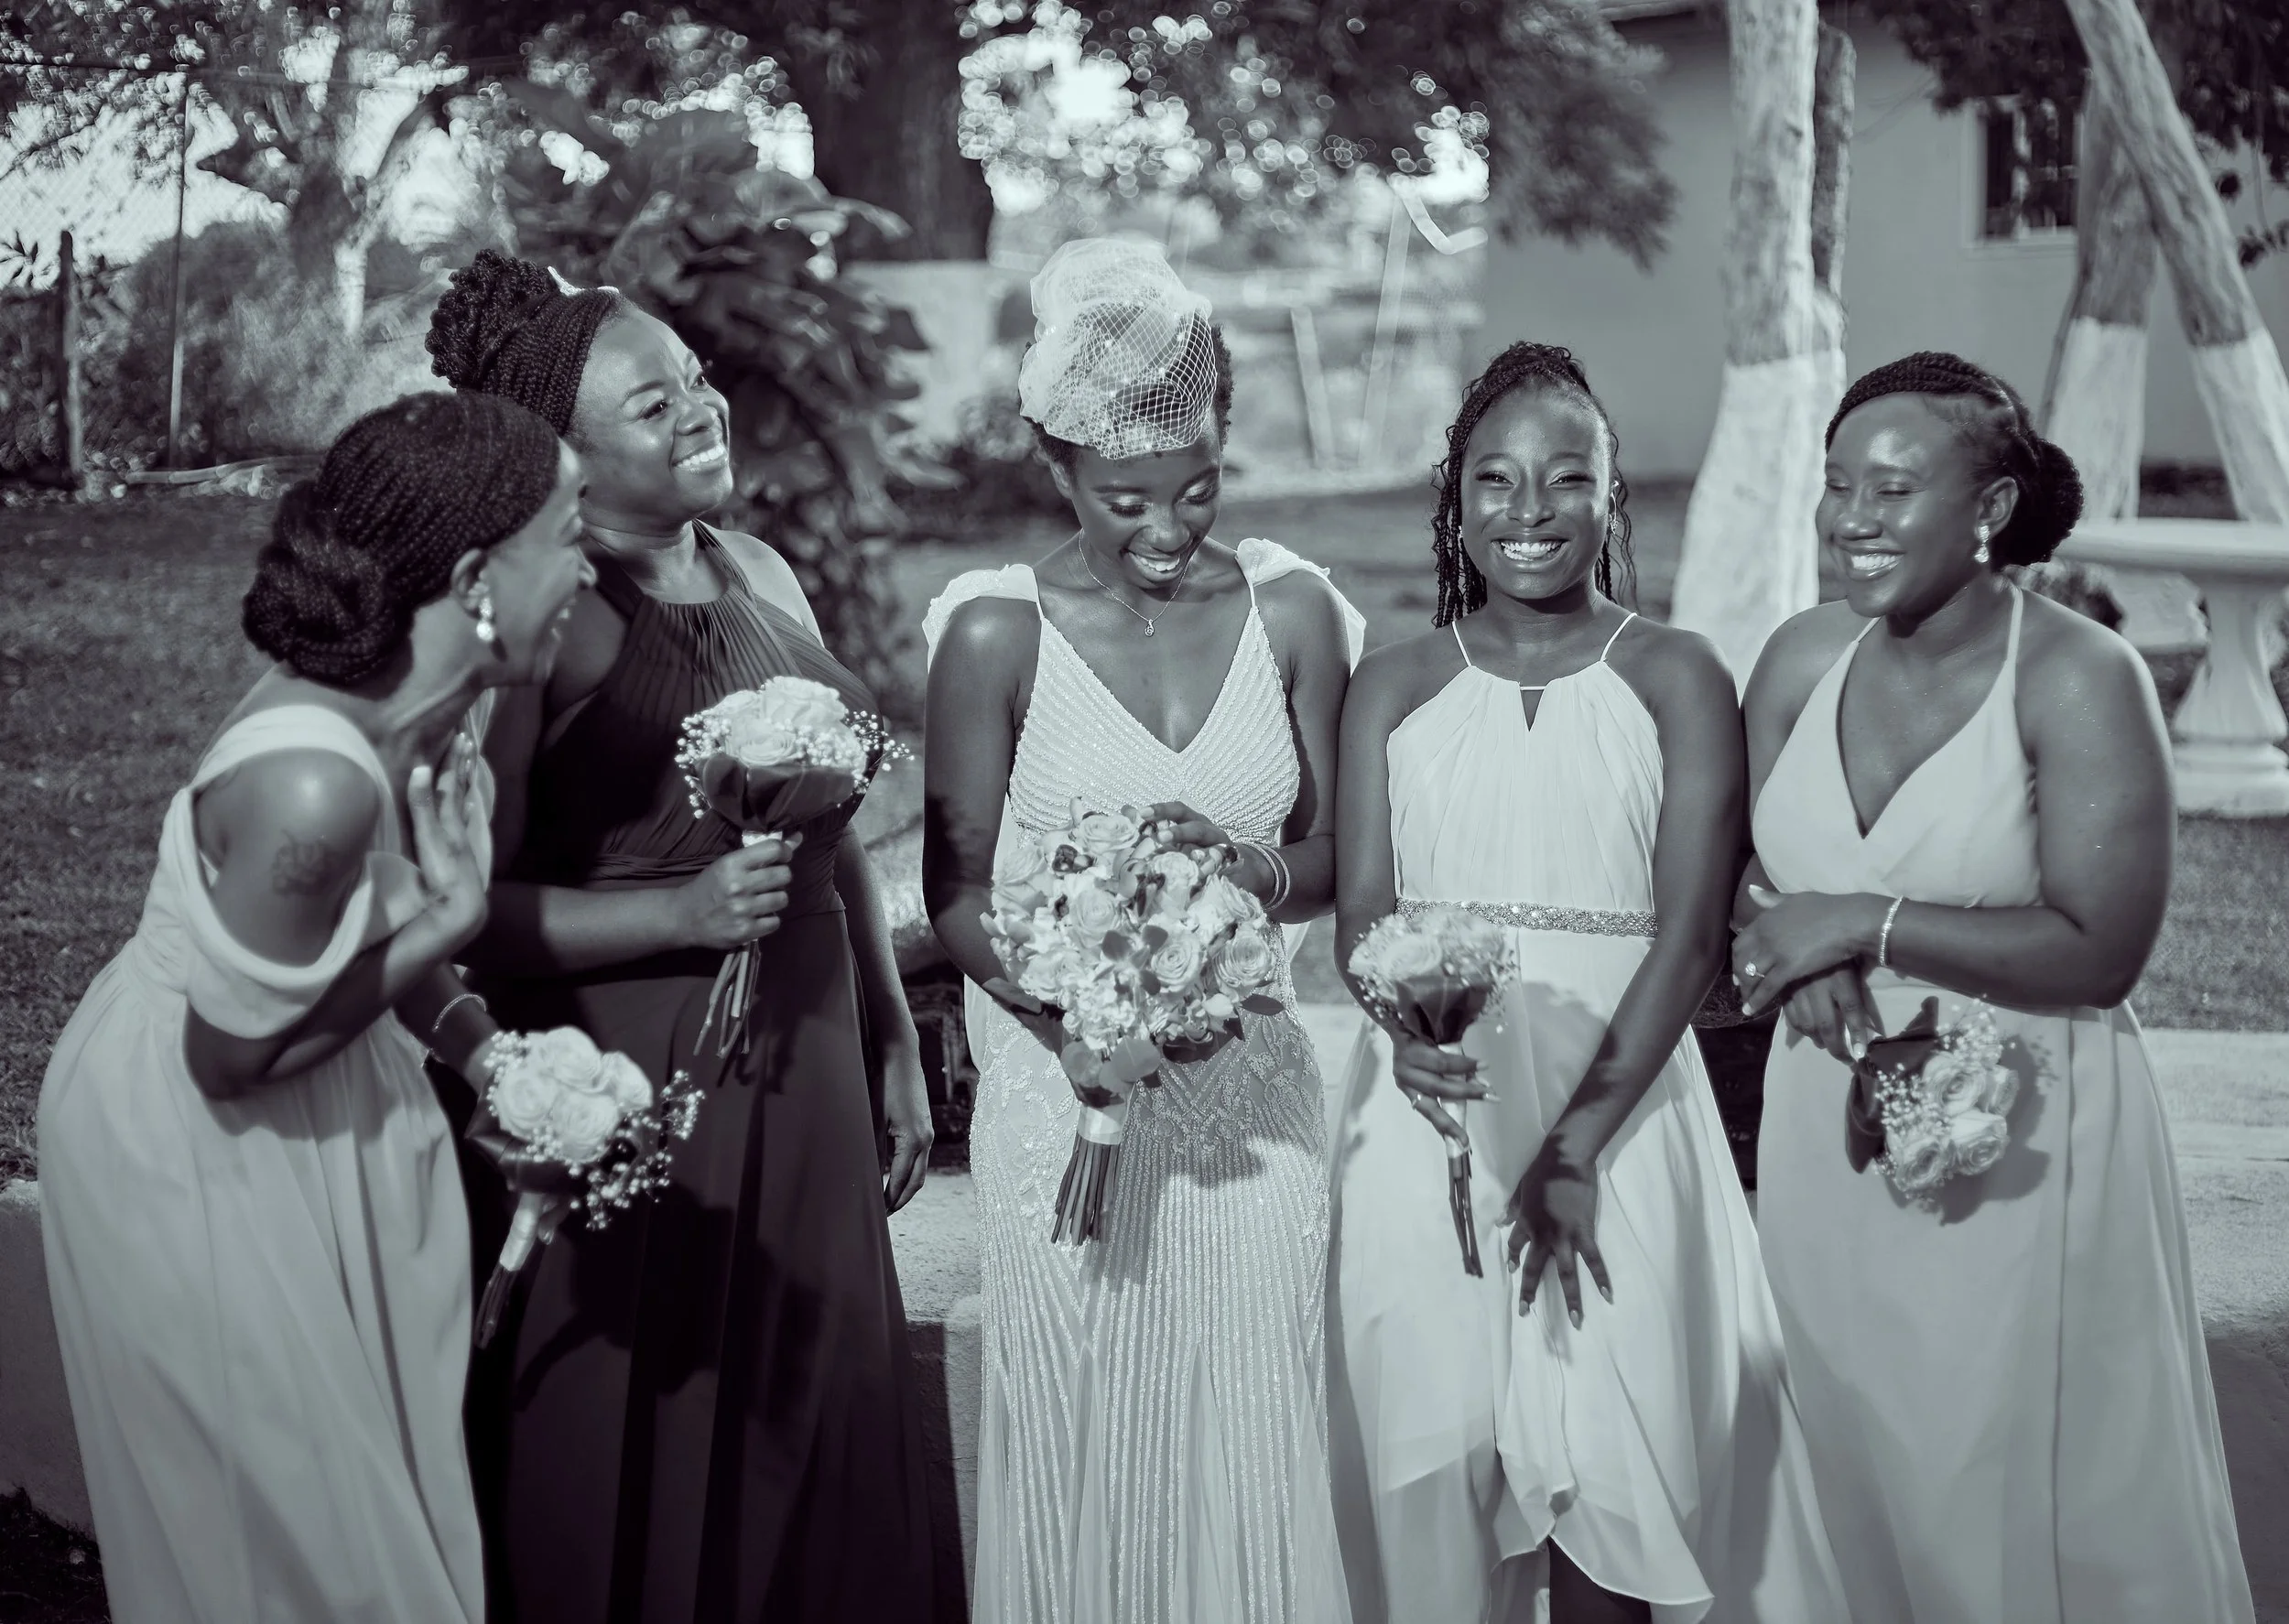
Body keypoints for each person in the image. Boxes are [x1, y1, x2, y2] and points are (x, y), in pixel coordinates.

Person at [423, 249, 948, 1622]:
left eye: (695, 381)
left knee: (813, 1427)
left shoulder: (762, 565)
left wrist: (894, 1035)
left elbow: (827, 843)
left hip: (816, 1061)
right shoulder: (557, 623)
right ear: (568, 463)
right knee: (644, 1436)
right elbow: (456, 914)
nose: (701, 411)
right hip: (645, 1089)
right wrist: (678, 907)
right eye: (653, 408)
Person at [38, 390, 588, 1623]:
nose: (590, 560)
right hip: (196, 1138)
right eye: (570, 527)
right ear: (473, 575)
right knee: (297, 1549)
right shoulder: (309, 782)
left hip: (315, 1082)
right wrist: (449, 929)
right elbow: (231, 1050)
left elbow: (371, 926)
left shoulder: (445, 700)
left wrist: (489, 1056)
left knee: (376, 1507)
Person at [1329, 342, 1849, 1624]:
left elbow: (1684, 938)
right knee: (1441, 1457)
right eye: (1496, 482)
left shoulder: (1675, 674)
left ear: (1613, 498)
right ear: (1456, 506)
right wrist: (1402, 1033)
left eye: (1569, 479)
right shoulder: (1391, 683)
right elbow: (1362, 913)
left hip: (1624, 1110)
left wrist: (1576, 1144)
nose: (1532, 511)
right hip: (1431, 1109)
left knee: (1611, 1460)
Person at [1735, 351, 2253, 1623]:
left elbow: (2101, 946)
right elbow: (1749, 864)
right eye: (1837, 482)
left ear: (1990, 509)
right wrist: (1794, 953)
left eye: (1895, 487)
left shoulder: (2077, 675)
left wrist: (1863, 919)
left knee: (1993, 1465)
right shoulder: (1800, 660)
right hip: (1824, 1129)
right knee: (1836, 1436)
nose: (1851, 515)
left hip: (2021, 1123)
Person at [921, 236, 1363, 1623]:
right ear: (1055, 467)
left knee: (1255, 1411)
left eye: (1199, 487)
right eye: (1127, 498)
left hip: (1257, 1101)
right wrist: (1074, 1035)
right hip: (1068, 1105)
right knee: (1076, 1418)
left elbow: (1344, 854)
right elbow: (957, 891)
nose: (1169, 526)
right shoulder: (995, 637)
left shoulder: (1293, 611)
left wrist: (1249, 869)